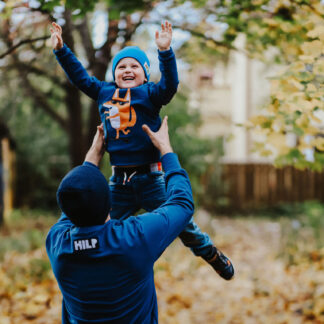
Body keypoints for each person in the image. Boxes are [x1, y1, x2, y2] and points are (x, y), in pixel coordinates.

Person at [50, 21, 234, 280]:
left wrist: (166, 52)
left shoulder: (149, 94)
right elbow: (79, 77)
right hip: (119, 184)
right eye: (121, 67)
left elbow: (170, 85)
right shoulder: (104, 92)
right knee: (94, 226)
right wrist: (61, 50)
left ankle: (210, 253)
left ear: (145, 74)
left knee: (182, 223)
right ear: (113, 75)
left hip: (150, 180)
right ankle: (97, 271)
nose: (127, 70)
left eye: (134, 66)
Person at [46, 117, 195, 323]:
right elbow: (182, 204)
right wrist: (165, 149)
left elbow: (75, 199)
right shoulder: (134, 239)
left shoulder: (57, 244)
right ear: (109, 202)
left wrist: (91, 160)